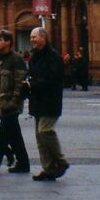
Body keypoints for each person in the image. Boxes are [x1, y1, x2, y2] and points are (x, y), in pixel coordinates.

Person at [26, 27, 70, 181]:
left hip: (50, 100)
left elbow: (52, 79)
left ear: (43, 38)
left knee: (45, 131)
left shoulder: (53, 56)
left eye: (34, 37)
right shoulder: (34, 56)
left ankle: (61, 161)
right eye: (31, 37)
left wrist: (33, 84)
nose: (31, 40)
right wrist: (27, 82)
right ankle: (49, 168)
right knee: (39, 136)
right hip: (37, 100)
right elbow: (30, 74)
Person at [0, 29, 30, 174]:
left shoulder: (16, 59)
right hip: (0, 103)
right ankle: (23, 163)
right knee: (14, 135)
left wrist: (13, 102)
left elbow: (19, 83)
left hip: (11, 104)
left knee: (4, 135)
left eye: (0, 40)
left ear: (8, 42)